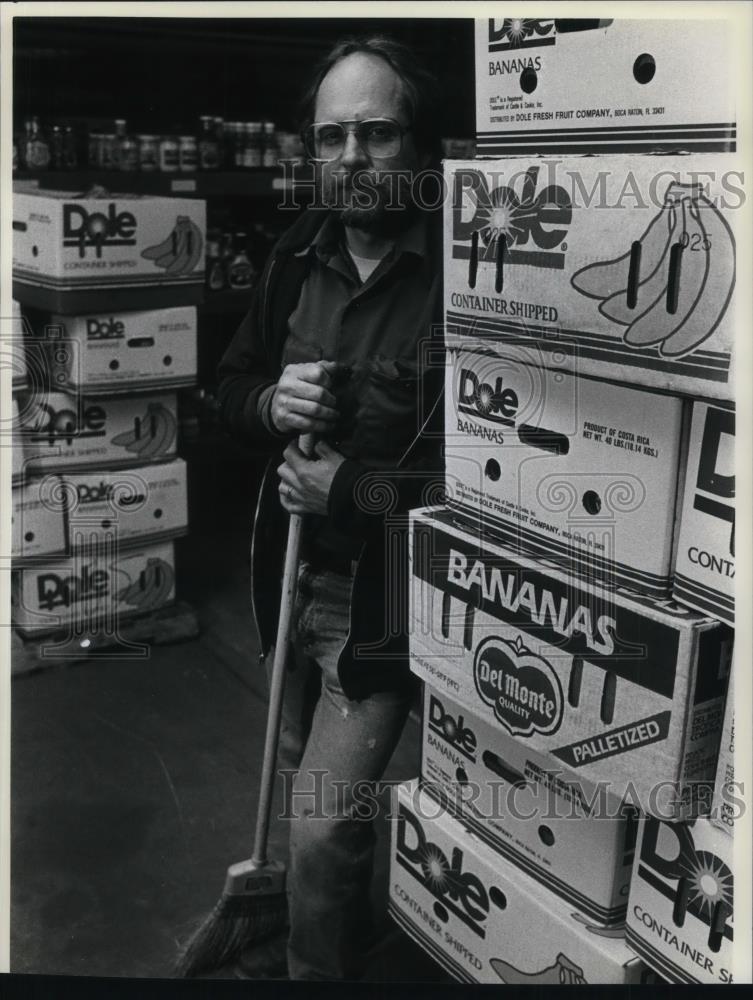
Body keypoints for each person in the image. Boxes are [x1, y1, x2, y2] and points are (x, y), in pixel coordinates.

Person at [217, 34, 445, 981]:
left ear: (419, 146)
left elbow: (481, 497)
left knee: (315, 837)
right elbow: (226, 393)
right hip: (288, 577)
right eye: (331, 136)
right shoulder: (291, 259)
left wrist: (348, 487)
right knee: (300, 778)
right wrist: (271, 403)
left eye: (377, 134)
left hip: (382, 605)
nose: (350, 159)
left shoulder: (469, 280)